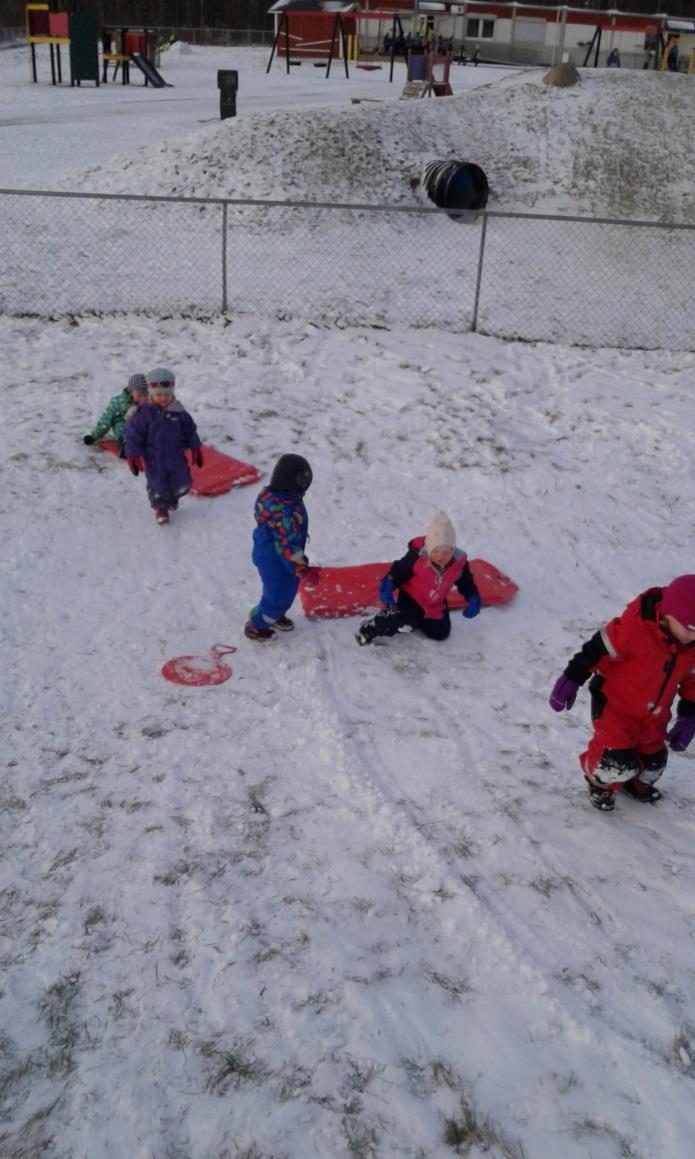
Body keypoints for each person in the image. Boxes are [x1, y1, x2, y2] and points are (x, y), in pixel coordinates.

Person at [549, 575, 695, 812]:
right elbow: (596, 650)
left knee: (654, 763)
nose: (693, 636)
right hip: (616, 707)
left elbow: (692, 684)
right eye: (691, 629)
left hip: (654, 717)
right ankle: (599, 781)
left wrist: (689, 717)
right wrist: (572, 677)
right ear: (670, 614)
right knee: (614, 762)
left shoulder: (690, 649)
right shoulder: (634, 630)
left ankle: (634, 784)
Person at [355, 511, 482, 647]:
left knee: (440, 634)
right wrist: (389, 582)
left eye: (446, 552)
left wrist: (473, 597)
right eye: (436, 551)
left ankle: (417, 619)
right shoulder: (417, 557)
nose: (440, 556)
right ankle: (372, 627)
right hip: (412, 598)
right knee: (403, 622)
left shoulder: (459, 564)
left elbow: (466, 583)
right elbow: (399, 570)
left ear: (453, 550)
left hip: (435, 604)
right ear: (429, 548)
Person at [244, 454, 318, 641]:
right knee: (278, 594)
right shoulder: (285, 511)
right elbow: (288, 545)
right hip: (276, 559)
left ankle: (273, 614)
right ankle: (257, 625)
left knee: (285, 590)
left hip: (273, 552)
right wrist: (302, 569)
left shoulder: (273, 495)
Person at [124, 367, 202, 525]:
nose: (163, 398)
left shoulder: (178, 412)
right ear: (150, 393)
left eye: (167, 394)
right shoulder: (143, 414)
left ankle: (173, 497)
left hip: (176, 457)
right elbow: (133, 435)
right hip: (154, 459)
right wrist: (132, 455)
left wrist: (195, 448)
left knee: (182, 482)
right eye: (158, 394)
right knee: (158, 485)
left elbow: (189, 430)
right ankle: (161, 508)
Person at [83, 373, 148, 455]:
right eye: (139, 395)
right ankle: (125, 446)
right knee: (124, 429)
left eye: (146, 394)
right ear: (131, 391)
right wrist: (94, 436)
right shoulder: (118, 403)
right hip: (124, 426)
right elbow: (106, 419)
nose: (143, 398)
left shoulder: (149, 400)